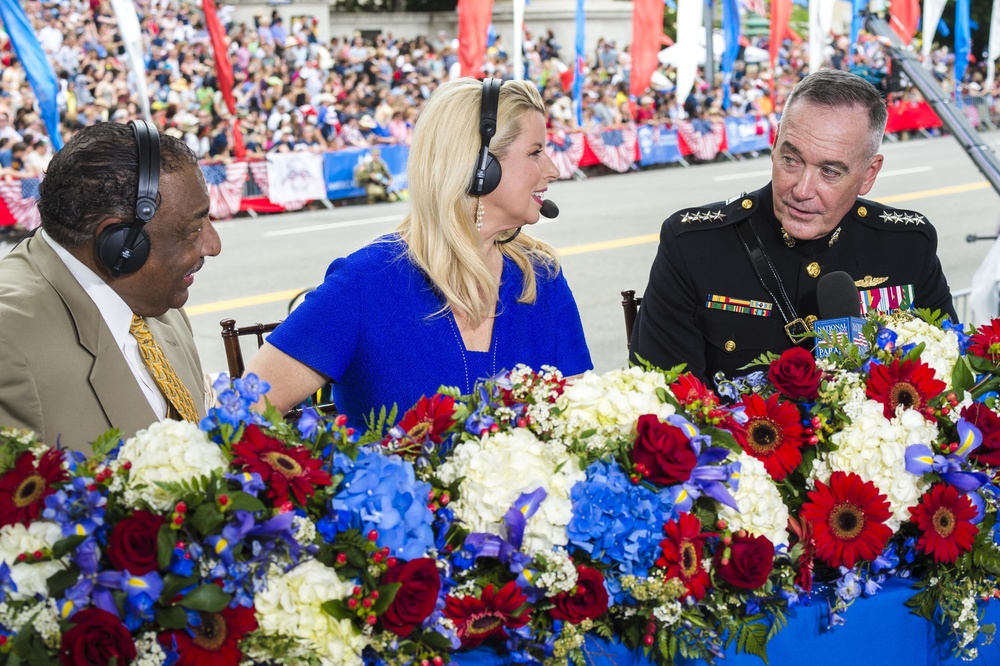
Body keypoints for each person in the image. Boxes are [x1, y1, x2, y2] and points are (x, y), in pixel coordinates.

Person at [246, 78, 593, 426]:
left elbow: (579, 423)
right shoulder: (364, 283)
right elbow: (242, 415)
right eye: (535, 152)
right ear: (478, 167)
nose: (554, 169)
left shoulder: (541, 277)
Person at [630, 69, 956, 383]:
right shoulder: (694, 247)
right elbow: (665, 407)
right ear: (774, 146)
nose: (801, 190)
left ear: (869, 174)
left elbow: (948, 377)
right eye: (791, 160)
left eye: (830, 171)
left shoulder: (908, 246)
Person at [0, 121, 222, 451]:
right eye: (192, 230)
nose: (213, 245)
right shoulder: (10, 348)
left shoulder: (158, 301)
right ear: (121, 244)